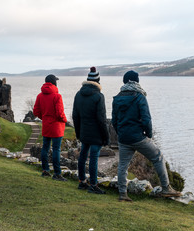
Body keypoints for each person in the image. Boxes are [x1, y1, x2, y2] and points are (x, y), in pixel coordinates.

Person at [112, 70, 182, 201]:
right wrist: (148, 135)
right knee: (158, 157)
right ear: (136, 81)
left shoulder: (117, 98)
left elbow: (114, 121)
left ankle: (122, 194)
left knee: (123, 166)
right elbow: (146, 119)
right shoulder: (139, 96)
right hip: (138, 137)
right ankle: (166, 188)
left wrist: (120, 133)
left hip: (123, 138)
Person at [72, 67, 109, 194]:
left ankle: (82, 181)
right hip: (96, 133)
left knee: (82, 156)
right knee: (93, 158)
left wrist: (78, 132)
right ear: (98, 81)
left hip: (84, 131)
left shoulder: (78, 94)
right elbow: (101, 119)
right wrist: (106, 136)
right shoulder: (99, 96)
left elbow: (75, 116)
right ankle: (93, 185)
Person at [33, 74, 68, 181]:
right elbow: (60, 113)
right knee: (56, 149)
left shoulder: (40, 96)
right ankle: (57, 173)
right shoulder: (57, 96)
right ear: (54, 82)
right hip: (56, 126)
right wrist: (65, 120)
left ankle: (45, 170)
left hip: (46, 125)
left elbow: (36, 112)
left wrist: (44, 117)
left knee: (45, 148)